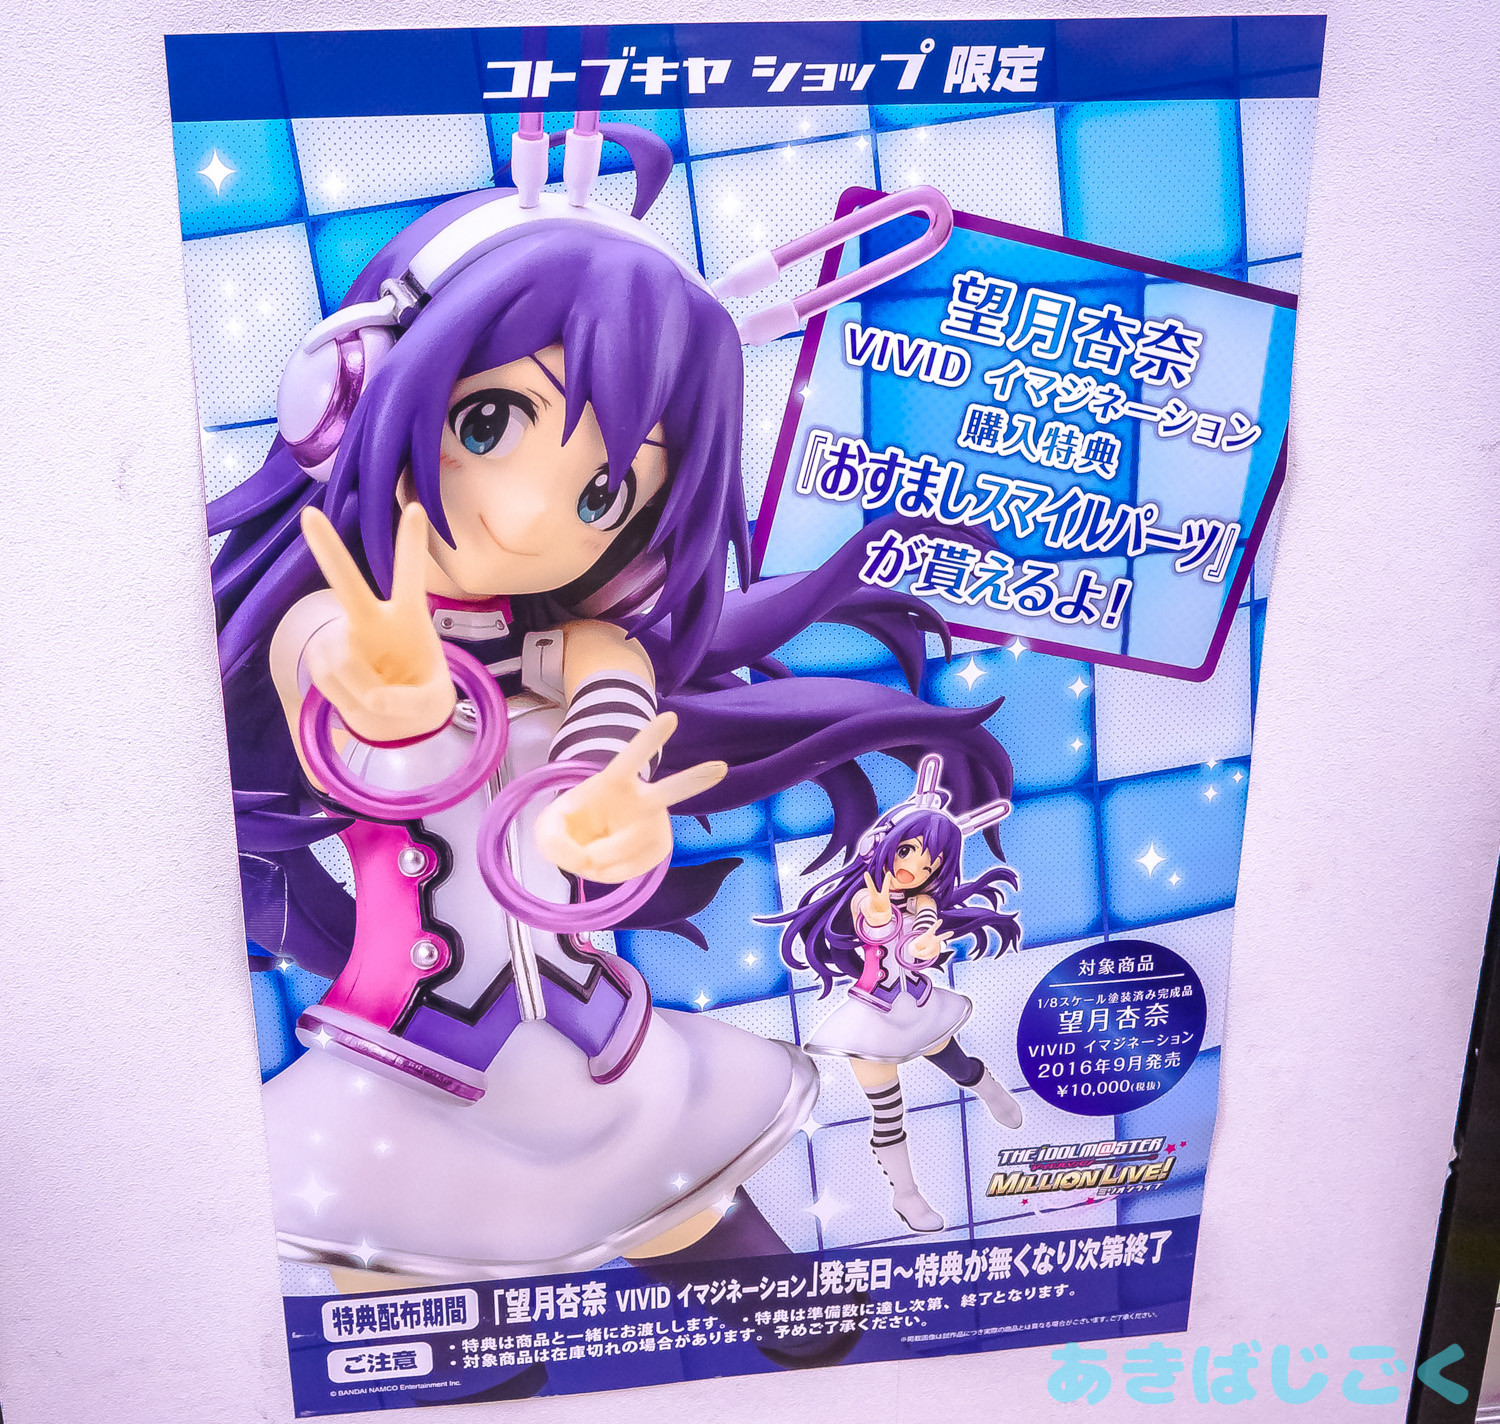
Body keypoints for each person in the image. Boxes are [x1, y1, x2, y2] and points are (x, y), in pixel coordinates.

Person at [210, 120, 1016, 1281]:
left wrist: (602, 813)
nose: (525, 518)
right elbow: (370, 726)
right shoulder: (335, 623)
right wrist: (399, 709)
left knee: (790, 1312)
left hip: (608, 1056)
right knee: (436, 1332)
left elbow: (608, 722)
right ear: (348, 392)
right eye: (488, 424)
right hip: (405, 1079)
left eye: (603, 493)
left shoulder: (583, 640)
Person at [769, 755, 1026, 1232]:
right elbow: (873, 926)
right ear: (888, 844)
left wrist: (926, 944)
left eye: (929, 863)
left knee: (959, 1066)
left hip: (919, 1007)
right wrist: (880, 915)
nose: (913, 867)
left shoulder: (924, 899)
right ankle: (906, 1195)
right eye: (907, 851)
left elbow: (918, 940)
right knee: (887, 1111)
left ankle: (987, 1088)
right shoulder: (866, 895)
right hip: (870, 1018)